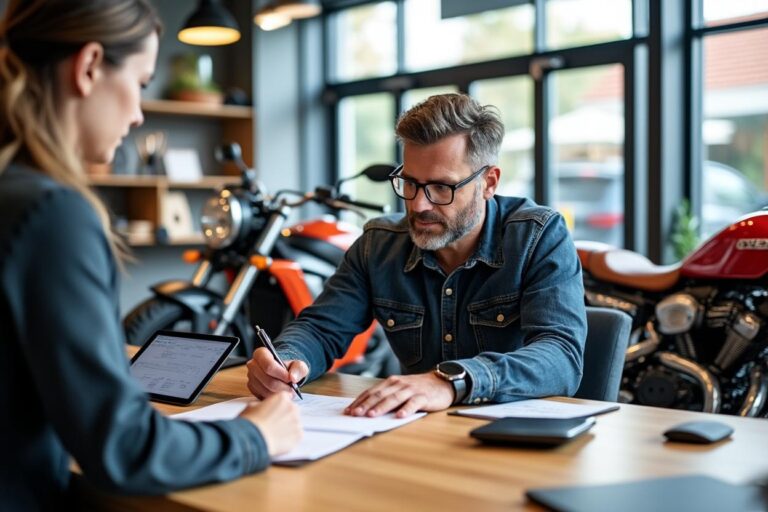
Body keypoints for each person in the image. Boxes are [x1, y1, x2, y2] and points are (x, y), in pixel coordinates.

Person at [0, 1, 301, 510]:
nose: (139, 114)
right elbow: (124, 448)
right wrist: (256, 435)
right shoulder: (51, 213)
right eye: (140, 83)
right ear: (89, 66)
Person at [246, 93, 587, 418]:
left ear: (489, 183)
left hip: (512, 436)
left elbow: (561, 357)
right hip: (411, 429)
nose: (419, 205)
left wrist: (452, 381)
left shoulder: (538, 237)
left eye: (441, 187)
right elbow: (321, 328)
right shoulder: (378, 245)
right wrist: (287, 360)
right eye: (410, 183)